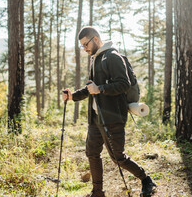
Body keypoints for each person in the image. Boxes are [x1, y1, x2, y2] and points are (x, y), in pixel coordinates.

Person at [62, 26, 156, 197]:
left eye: (86, 44)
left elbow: (123, 83)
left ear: (96, 39)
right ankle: (97, 192)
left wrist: (101, 89)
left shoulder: (112, 57)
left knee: (118, 157)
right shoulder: (95, 59)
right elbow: (91, 88)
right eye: (82, 46)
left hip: (113, 117)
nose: (84, 49)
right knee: (92, 153)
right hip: (96, 118)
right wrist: (72, 96)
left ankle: (146, 180)